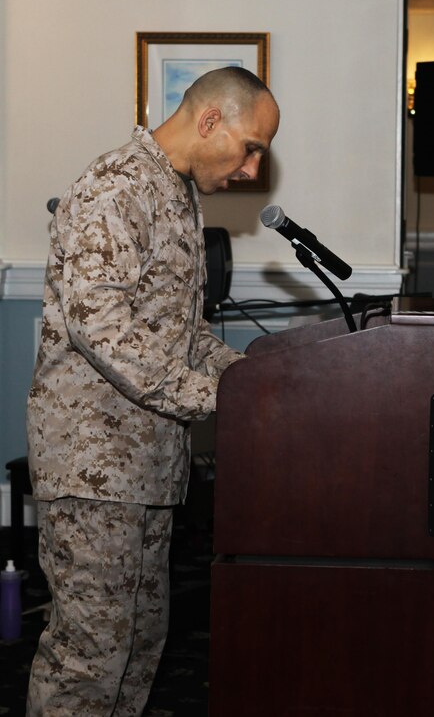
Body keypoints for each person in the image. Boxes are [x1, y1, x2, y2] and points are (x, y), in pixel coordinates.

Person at [26, 66, 280, 716]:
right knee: (88, 660)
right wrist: (223, 400)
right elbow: (102, 331)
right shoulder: (115, 187)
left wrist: (253, 379)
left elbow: (181, 333)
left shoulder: (174, 194)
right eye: (251, 146)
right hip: (93, 469)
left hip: (148, 467)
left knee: (138, 647)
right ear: (209, 120)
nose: (252, 169)